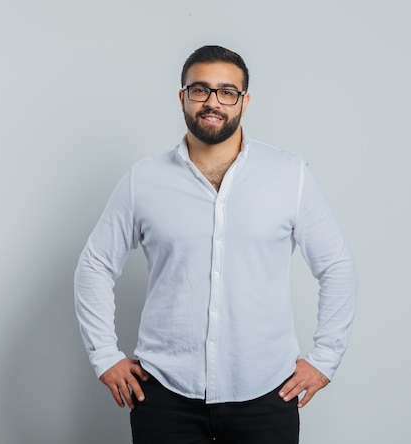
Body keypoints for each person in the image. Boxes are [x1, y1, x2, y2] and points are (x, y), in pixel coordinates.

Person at [74, 45, 357, 443]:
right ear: (183, 97)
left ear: (244, 100)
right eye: (200, 90)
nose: (213, 102)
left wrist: (324, 360)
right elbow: (95, 266)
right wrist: (105, 356)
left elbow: (336, 266)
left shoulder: (289, 175)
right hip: (164, 394)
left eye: (227, 92)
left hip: (266, 393)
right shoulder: (144, 180)